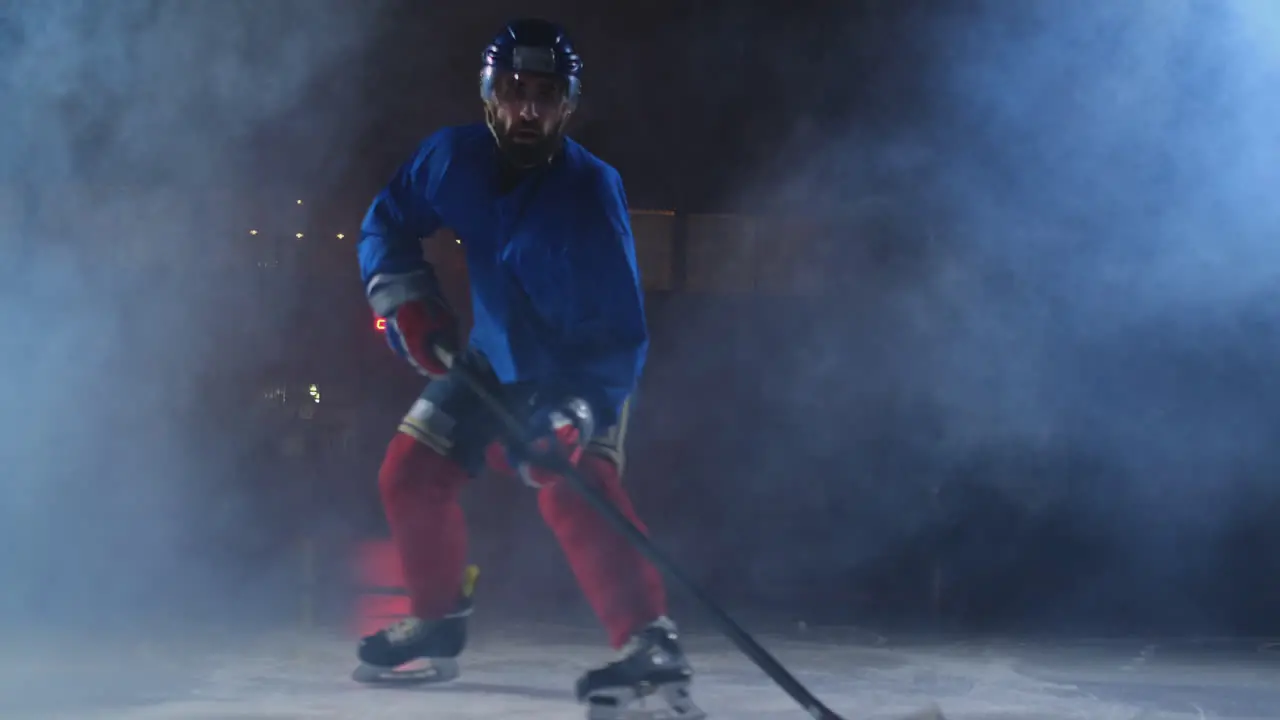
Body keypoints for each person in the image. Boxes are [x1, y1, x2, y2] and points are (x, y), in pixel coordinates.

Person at [352, 17, 702, 720]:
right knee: (410, 473)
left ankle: (650, 643)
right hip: (490, 357)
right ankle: (439, 618)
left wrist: (576, 413)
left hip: (575, 372)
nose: (529, 109)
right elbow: (387, 222)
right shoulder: (451, 161)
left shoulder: (591, 193)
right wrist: (408, 300)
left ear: (568, 104)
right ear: (490, 95)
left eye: (545, 94)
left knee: (574, 485)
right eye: (515, 91)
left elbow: (618, 336)